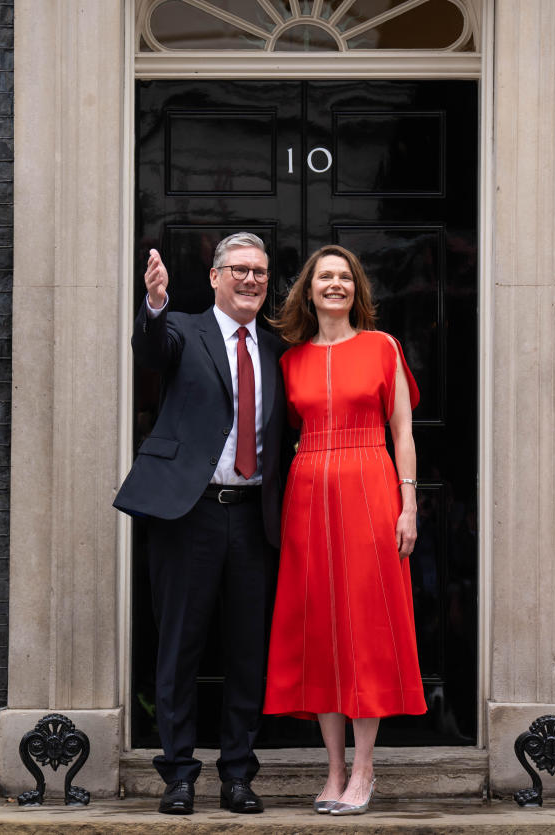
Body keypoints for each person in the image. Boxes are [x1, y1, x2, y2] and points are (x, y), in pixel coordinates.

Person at [114, 233, 284, 816]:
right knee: (180, 647)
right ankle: (179, 774)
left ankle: (238, 774)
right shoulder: (185, 328)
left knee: (246, 654)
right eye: (239, 269)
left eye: (260, 271)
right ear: (214, 277)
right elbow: (151, 349)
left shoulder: (277, 345)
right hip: (190, 515)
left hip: (255, 519)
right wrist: (156, 302)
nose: (250, 280)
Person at [263, 244, 426, 816]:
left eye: (344, 277)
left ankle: (363, 768)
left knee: (365, 629)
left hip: (371, 483)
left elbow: (403, 432)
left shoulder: (383, 347)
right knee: (321, 630)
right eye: (324, 277)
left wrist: (408, 504)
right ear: (308, 290)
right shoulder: (289, 361)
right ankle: (332, 770)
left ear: (357, 288)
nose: (335, 285)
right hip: (308, 491)